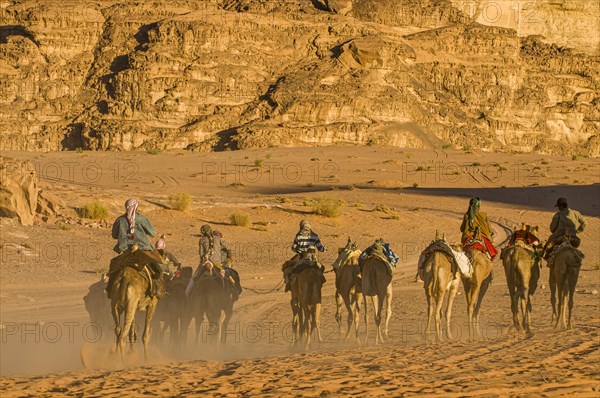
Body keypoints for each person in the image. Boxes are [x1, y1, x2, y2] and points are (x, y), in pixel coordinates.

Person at [106, 199, 165, 298]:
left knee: (113, 267)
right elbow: (153, 233)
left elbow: (114, 235)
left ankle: (110, 289)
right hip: (143, 250)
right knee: (157, 267)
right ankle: (157, 290)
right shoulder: (142, 219)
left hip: (126, 251)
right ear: (136, 207)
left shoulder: (120, 220)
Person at [186, 224, 241, 298]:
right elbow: (229, 249)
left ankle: (188, 296)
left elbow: (201, 254)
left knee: (194, 279)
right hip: (217, 264)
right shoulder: (218, 239)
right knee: (227, 277)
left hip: (205, 263)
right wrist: (229, 257)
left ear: (203, 232)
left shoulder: (201, 240)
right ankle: (233, 291)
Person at [282, 220, 326, 292]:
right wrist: (325, 249)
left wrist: (299, 250)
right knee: (321, 269)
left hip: (302, 258)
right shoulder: (315, 236)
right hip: (312, 259)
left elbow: (294, 248)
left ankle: (289, 286)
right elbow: (321, 248)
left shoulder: (299, 236)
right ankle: (319, 286)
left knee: (291, 270)